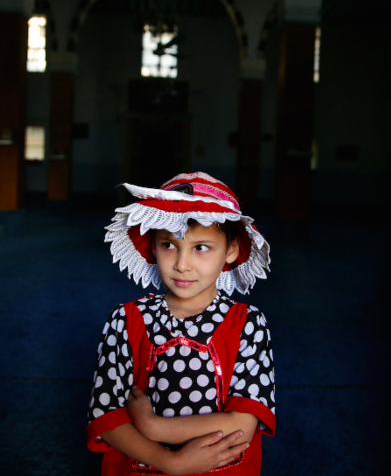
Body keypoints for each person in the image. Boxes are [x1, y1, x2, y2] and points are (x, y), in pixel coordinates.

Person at [87, 172, 275, 475]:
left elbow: (243, 423)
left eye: (201, 247)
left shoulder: (248, 324)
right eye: (169, 245)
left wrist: (153, 426)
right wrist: (171, 463)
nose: (181, 264)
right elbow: (106, 417)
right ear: (153, 246)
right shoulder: (126, 319)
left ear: (231, 250)